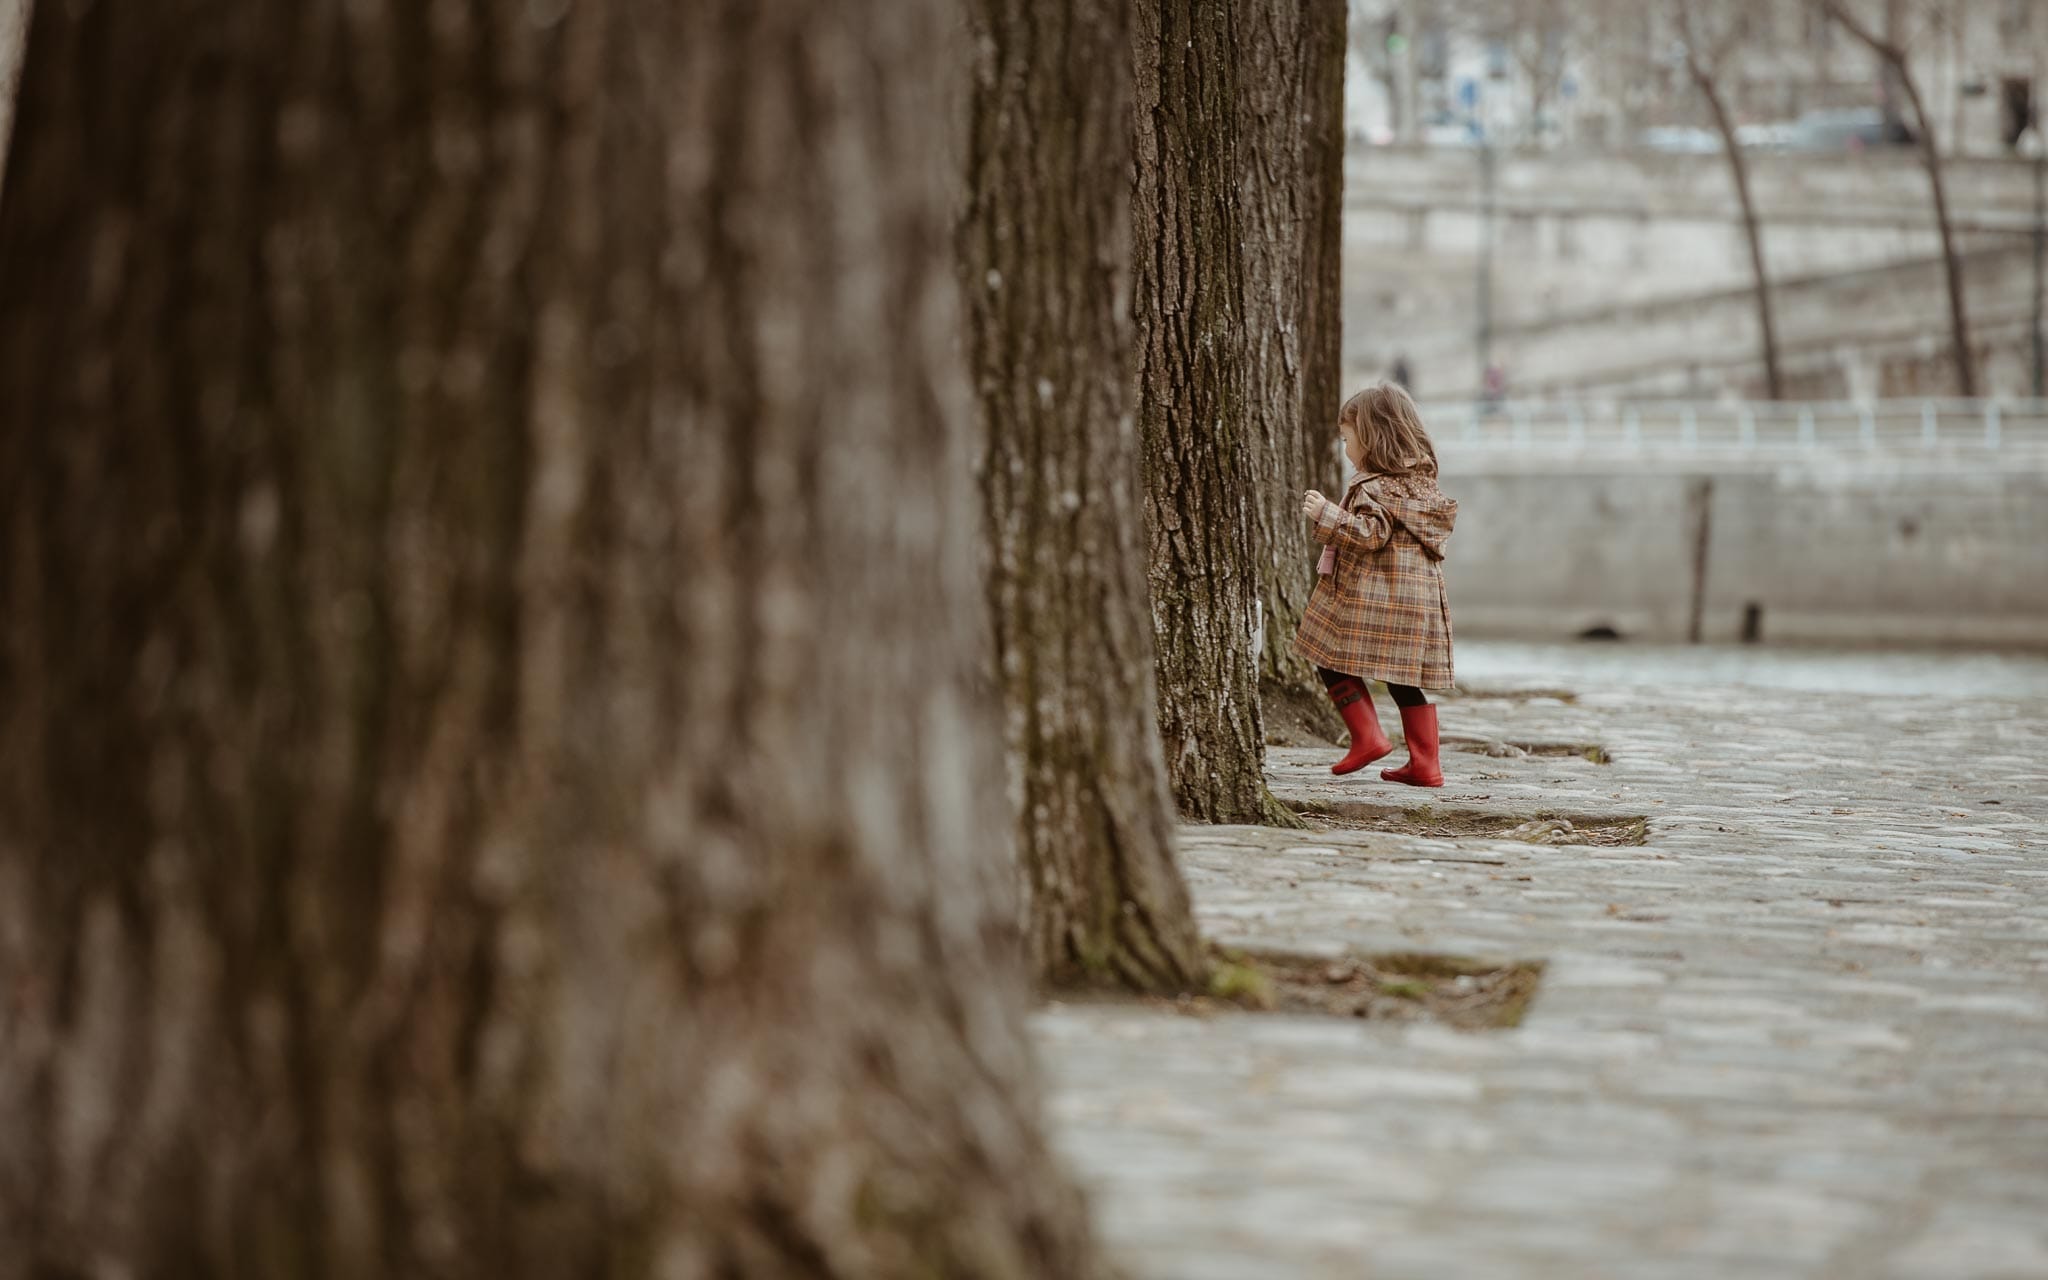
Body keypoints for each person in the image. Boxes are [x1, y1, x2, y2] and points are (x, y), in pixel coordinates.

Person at [1294, 383, 1458, 787]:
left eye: (1347, 439)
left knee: (1326, 657)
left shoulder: (1374, 487)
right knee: (1402, 680)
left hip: (1377, 596)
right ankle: (1426, 763)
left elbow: (1371, 534)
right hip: (1413, 599)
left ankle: (1367, 736)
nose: (1346, 449)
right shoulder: (1421, 484)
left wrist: (1327, 514)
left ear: (1371, 436)